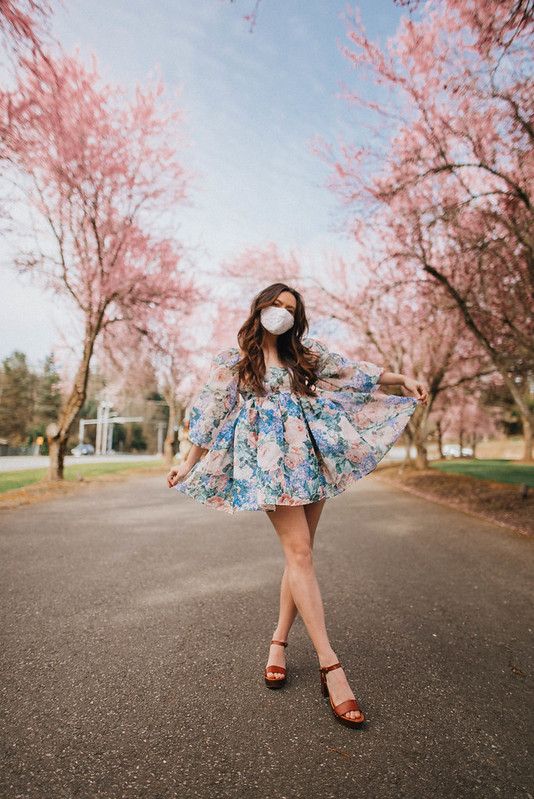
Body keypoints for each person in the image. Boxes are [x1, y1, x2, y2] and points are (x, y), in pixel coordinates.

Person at [166, 282, 428, 728]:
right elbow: (209, 411)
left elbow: (351, 371)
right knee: (301, 553)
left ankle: (279, 643)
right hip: (268, 464)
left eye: (291, 308)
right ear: (261, 307)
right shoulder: (235, 362)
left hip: (310, 457)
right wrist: (188, 462)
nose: (283, 313)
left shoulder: (305, 356)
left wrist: (401, 378)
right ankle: (332, 667)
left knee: (299, 555)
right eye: (276, 304)